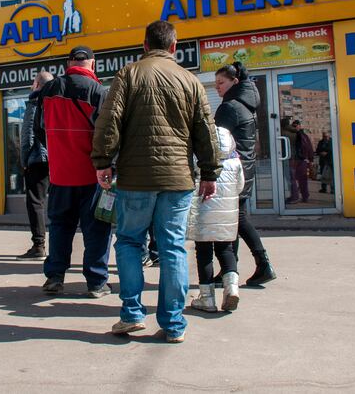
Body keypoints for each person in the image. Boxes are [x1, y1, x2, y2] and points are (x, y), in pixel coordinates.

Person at [92, 20, 220, 343]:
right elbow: (206, 131)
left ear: (145, 45)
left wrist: (103, 161)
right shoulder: (191, 81)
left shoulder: (129, 74)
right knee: (173, 247)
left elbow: (109, 121)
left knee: (130, 242)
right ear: (174, 47)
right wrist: (209, 172)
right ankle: (174, 324)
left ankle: (132, 314)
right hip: (178, 180)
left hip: (135, 179)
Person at [35, 46, 112, 298]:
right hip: (91, 175)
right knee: (97, 229)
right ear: (93, 63)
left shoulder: (48, 89)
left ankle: (55, 277)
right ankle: (97, 283)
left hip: (59, 174)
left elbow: (39, 129)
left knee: (59, 227)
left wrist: (57, 152)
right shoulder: (97, 91)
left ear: (68, 63)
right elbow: (107, 135)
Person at [214, 63, 277, 286]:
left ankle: (259, 264)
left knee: (235, 220)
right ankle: (231, 270)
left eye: (221, 83)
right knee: (235, 219)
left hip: (231, 174)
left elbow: (218, 143)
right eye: (216, 84)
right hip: (244, 169)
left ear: (235, 82)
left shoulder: (230, 107)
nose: (217, 88)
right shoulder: (246, 104)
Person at [188, 127, 244, 312]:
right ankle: (232, 288)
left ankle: (207, 298)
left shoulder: (198, 161)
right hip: (227, 215)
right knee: (226, 249)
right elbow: (240, 187)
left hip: (202, 213)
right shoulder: (235, 162)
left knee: (203, 253)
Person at [18, 70, 53, 260]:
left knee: (35, 202)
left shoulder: (34, 102)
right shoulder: (57, 100)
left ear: (37, 84)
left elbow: (27, 135)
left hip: (37, 159)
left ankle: (39, 245)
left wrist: (24, 161)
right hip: (55, 159)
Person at [287, 120, 314, 204]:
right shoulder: (301, 136)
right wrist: (309, 159)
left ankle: (303, 196)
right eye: (294, 126)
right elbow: (309, 147)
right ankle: (302, 196)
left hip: (299, 159)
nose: (295, 127)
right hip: (298, 159)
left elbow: (309, 148)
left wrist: (310, 159)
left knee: (300, 179)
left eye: (296, 125)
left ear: (299, 126)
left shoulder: (302, 136)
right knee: (298, 179)